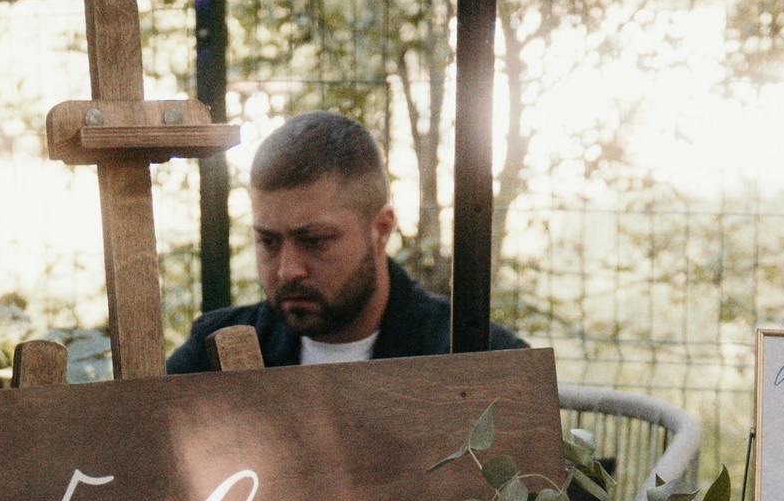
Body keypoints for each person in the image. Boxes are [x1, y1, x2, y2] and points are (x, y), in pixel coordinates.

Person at [166, 109, 524, 371]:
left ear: (381, 229)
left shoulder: (472, 356)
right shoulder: (210, 355)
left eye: (315, 240)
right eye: (269, 243)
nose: (288, 271)